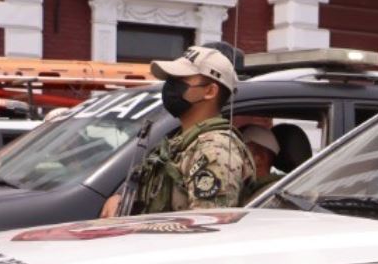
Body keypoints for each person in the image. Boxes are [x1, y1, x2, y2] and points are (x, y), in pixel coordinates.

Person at [109, 44, 254, 217]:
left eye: (179, 80)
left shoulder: (214, 150)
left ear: (209, 91)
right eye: (170, 80)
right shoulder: (180, 142)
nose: (170, 86)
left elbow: (207, 228)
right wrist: (121, 197)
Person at [238, 124, 284, 204]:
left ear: (260, 157)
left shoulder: (269, 193)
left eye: (241, 153)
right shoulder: (251, 188)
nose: (234, 158)